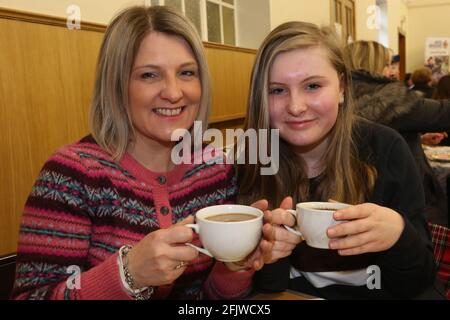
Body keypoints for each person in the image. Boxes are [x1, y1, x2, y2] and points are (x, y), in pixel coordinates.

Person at [10, 5, 295, 300]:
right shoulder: (72, 175)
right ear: (118, 85)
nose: (173, 92)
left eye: (186, 72)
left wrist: (236, 265)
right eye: (149, 75)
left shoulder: (215, 169)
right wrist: (128, 273)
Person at [238, 21, 437, 299]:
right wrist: (269, 256)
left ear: (342, 87)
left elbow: (420, 280)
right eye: (277, 90)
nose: (296, 107)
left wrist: (400, 235)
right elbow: (262, 291)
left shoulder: (386, 148)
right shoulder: (251, 156)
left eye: (313, 86)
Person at [344, 40, 450, 227]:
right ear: (372, 65)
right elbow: (442, 113)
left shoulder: (342, 95)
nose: (392, 71)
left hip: (359, 194)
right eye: (387, 65)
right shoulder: (390, 99)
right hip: (404, 195)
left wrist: (418, 138)